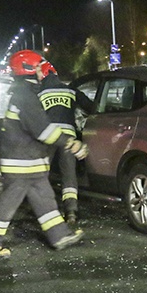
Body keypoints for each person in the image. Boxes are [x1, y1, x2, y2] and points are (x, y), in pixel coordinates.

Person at [0, 50, 88, 259]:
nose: (42, 71)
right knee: (8, 202)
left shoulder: (26, 94)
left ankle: (59, 236)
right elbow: (44, 131)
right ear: (29, 69)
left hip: (31, 162)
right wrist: (70, 143)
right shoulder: (25, 97)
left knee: (45, 199)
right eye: (39, 67)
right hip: (20, 163)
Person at [37, 60, 92, 226]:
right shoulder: (70, 90)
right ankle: (71, 211)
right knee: (69, 175)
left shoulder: (39, 93)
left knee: (41, 175)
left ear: (45, 74)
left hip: (48, 138)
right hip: (68, 139)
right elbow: (91, 106)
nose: (37, 76)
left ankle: (49, 211)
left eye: (39, 73)